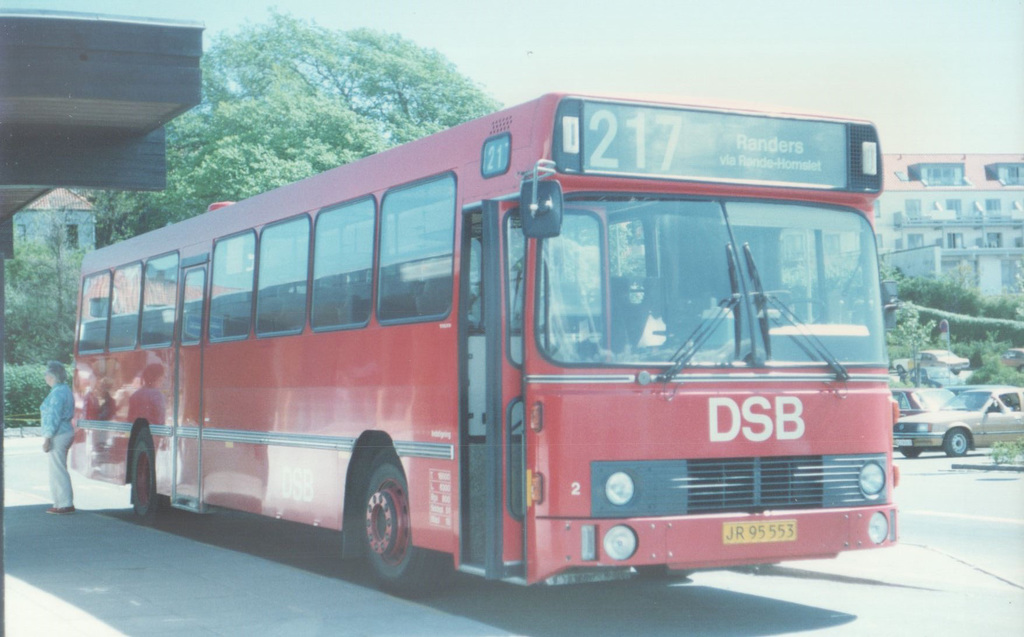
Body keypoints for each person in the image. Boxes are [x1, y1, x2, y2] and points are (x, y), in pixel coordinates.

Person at [40, 360, 75, 514]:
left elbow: (53, 417)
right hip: (66, 431)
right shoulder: (65, 390)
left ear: (52, 376)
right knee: (59, 468)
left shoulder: (56, 393)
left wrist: (47, 438)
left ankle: (64, 504)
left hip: (58, 434)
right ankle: (60, 502)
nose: (45, 378)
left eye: (46, 375)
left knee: (58, 470)